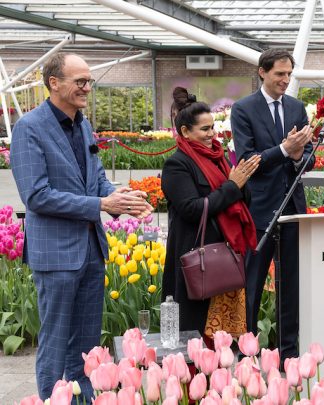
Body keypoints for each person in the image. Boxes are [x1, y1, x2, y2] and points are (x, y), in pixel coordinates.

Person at [9, 53, 153, 402]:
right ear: (53, 83)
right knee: (56, 339)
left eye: (89, 81)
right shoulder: (29, 128)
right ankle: (50, 398)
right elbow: (37, 195)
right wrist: (101, 205)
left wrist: (122, 196)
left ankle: (84, 398)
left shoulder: (83, 124)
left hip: (91, 249)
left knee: (87, 343)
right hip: (56, 255)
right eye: (80, 81)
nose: (87, 87)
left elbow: (96, 180)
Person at [231, 48, 314, 361]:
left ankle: (289, 353)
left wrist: (296, 156)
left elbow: (308, 157)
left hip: (293, 209)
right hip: (260, 211)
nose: (285, 80)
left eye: (289, 74)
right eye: (280, 74)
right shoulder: (243, 109)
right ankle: (246, 354)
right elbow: (246, 160)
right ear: (262, 72)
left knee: (291, 285)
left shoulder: (296, 108)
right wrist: (283, 149)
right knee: (251, 284)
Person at [162, 88, 260, 340]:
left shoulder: (218, 156)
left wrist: (241, 183)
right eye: (204, 129)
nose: (212, 134)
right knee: (195, 330)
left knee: (223, 338)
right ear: (185, 131)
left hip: (223, 256)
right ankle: (193, 378)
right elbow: (193, 209)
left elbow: (238, 198)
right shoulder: (178, 164)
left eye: (213, 127)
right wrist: (232, 186)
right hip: (196, 256)